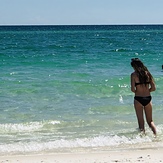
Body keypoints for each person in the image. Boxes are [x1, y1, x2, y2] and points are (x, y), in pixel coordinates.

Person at [130, 58, 156, 135]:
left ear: (134, 66)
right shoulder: (148, 73)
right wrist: (147, 91)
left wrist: (138, 92)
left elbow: (132, 89)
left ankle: (142, 139)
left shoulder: (133, 75)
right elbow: (154, 88)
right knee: (150, 121)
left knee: (141, 123)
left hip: (138, 99)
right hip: (148, 98)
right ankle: (156, 136)